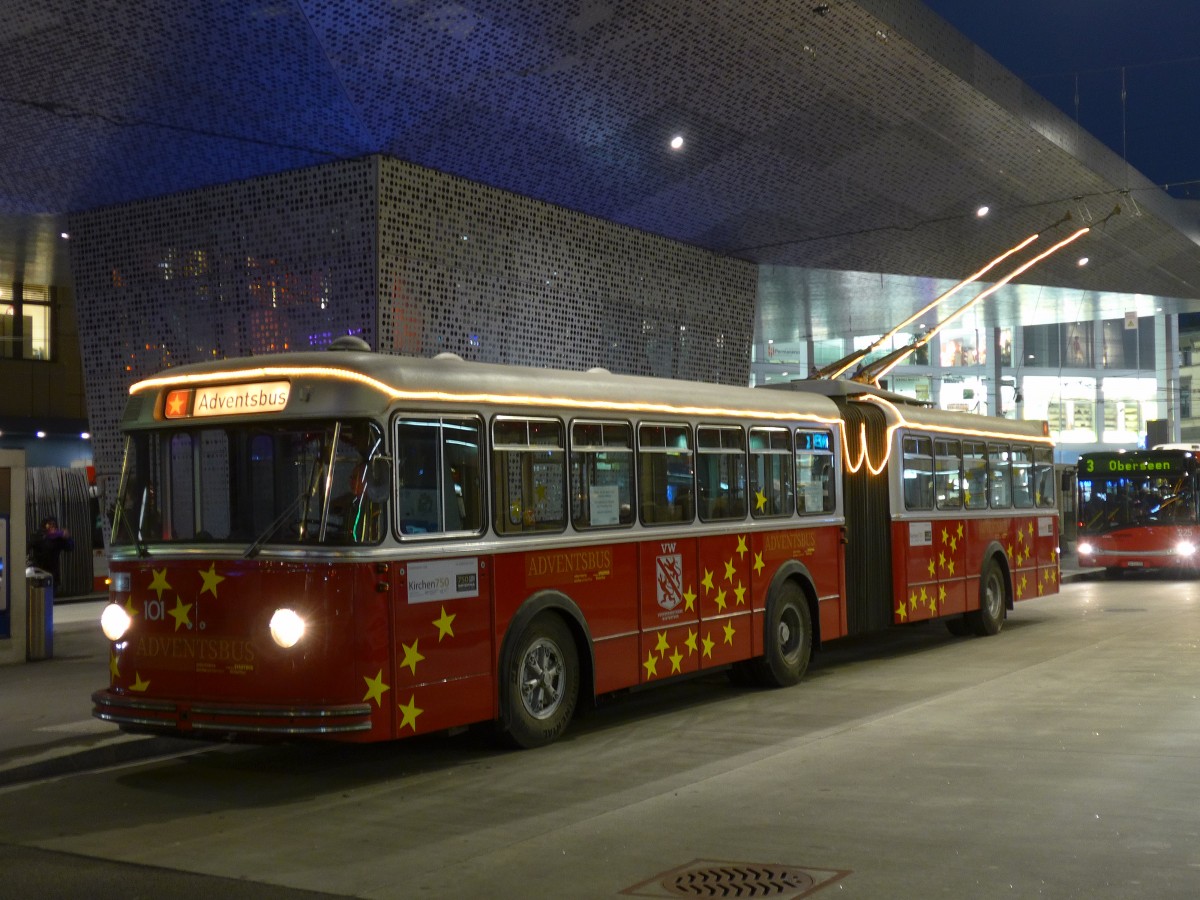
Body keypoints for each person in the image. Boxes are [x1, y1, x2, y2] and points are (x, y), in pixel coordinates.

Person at [28, 516, 74, 592]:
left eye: (54, 525)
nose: (52, 528)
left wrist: (67, 538)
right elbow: (28, 546)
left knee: (49, 597)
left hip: (52, 574)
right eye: (50, 525)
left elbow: (70, 547)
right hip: (38, 572)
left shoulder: (57, 539)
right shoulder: (38, 536)